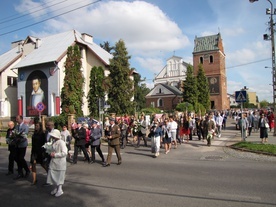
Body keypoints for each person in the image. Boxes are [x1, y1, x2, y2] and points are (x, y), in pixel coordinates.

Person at [46, 129, 68, 197]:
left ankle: (60, 190)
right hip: (54, 162)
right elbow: (52, 149)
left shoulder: (61, 142)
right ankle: (55, 188)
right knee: (53, 175)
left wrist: (55, 155)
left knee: (60, 176)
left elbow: (64, 152)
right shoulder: (54, 142)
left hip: (60, 162)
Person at [14, 115, 31, 180]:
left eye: (17, 119)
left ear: (21, 119)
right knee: (16, 158)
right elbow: (15, 133)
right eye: (16, 119)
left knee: (21, 158)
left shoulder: (25, 126)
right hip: (17, 145)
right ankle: (20, 172)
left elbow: (25, 135)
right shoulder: (17, 126)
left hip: (23, 144)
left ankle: (27, 170)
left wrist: (19, 139)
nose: (16, 120)